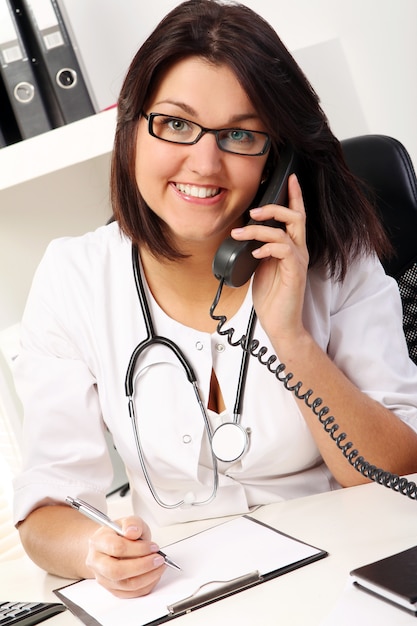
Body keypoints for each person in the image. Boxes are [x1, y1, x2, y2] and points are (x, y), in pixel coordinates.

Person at [12, 0, 417, 600]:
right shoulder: (75, 277)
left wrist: (293, 339)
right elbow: (48, 510)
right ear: (131, 129)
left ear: (276, 158)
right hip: (186, 594)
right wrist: (95, 551)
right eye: (175, 123)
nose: (204, 163)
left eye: (239, 134)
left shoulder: (334, 258)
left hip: (348, 579)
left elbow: (398, 473)